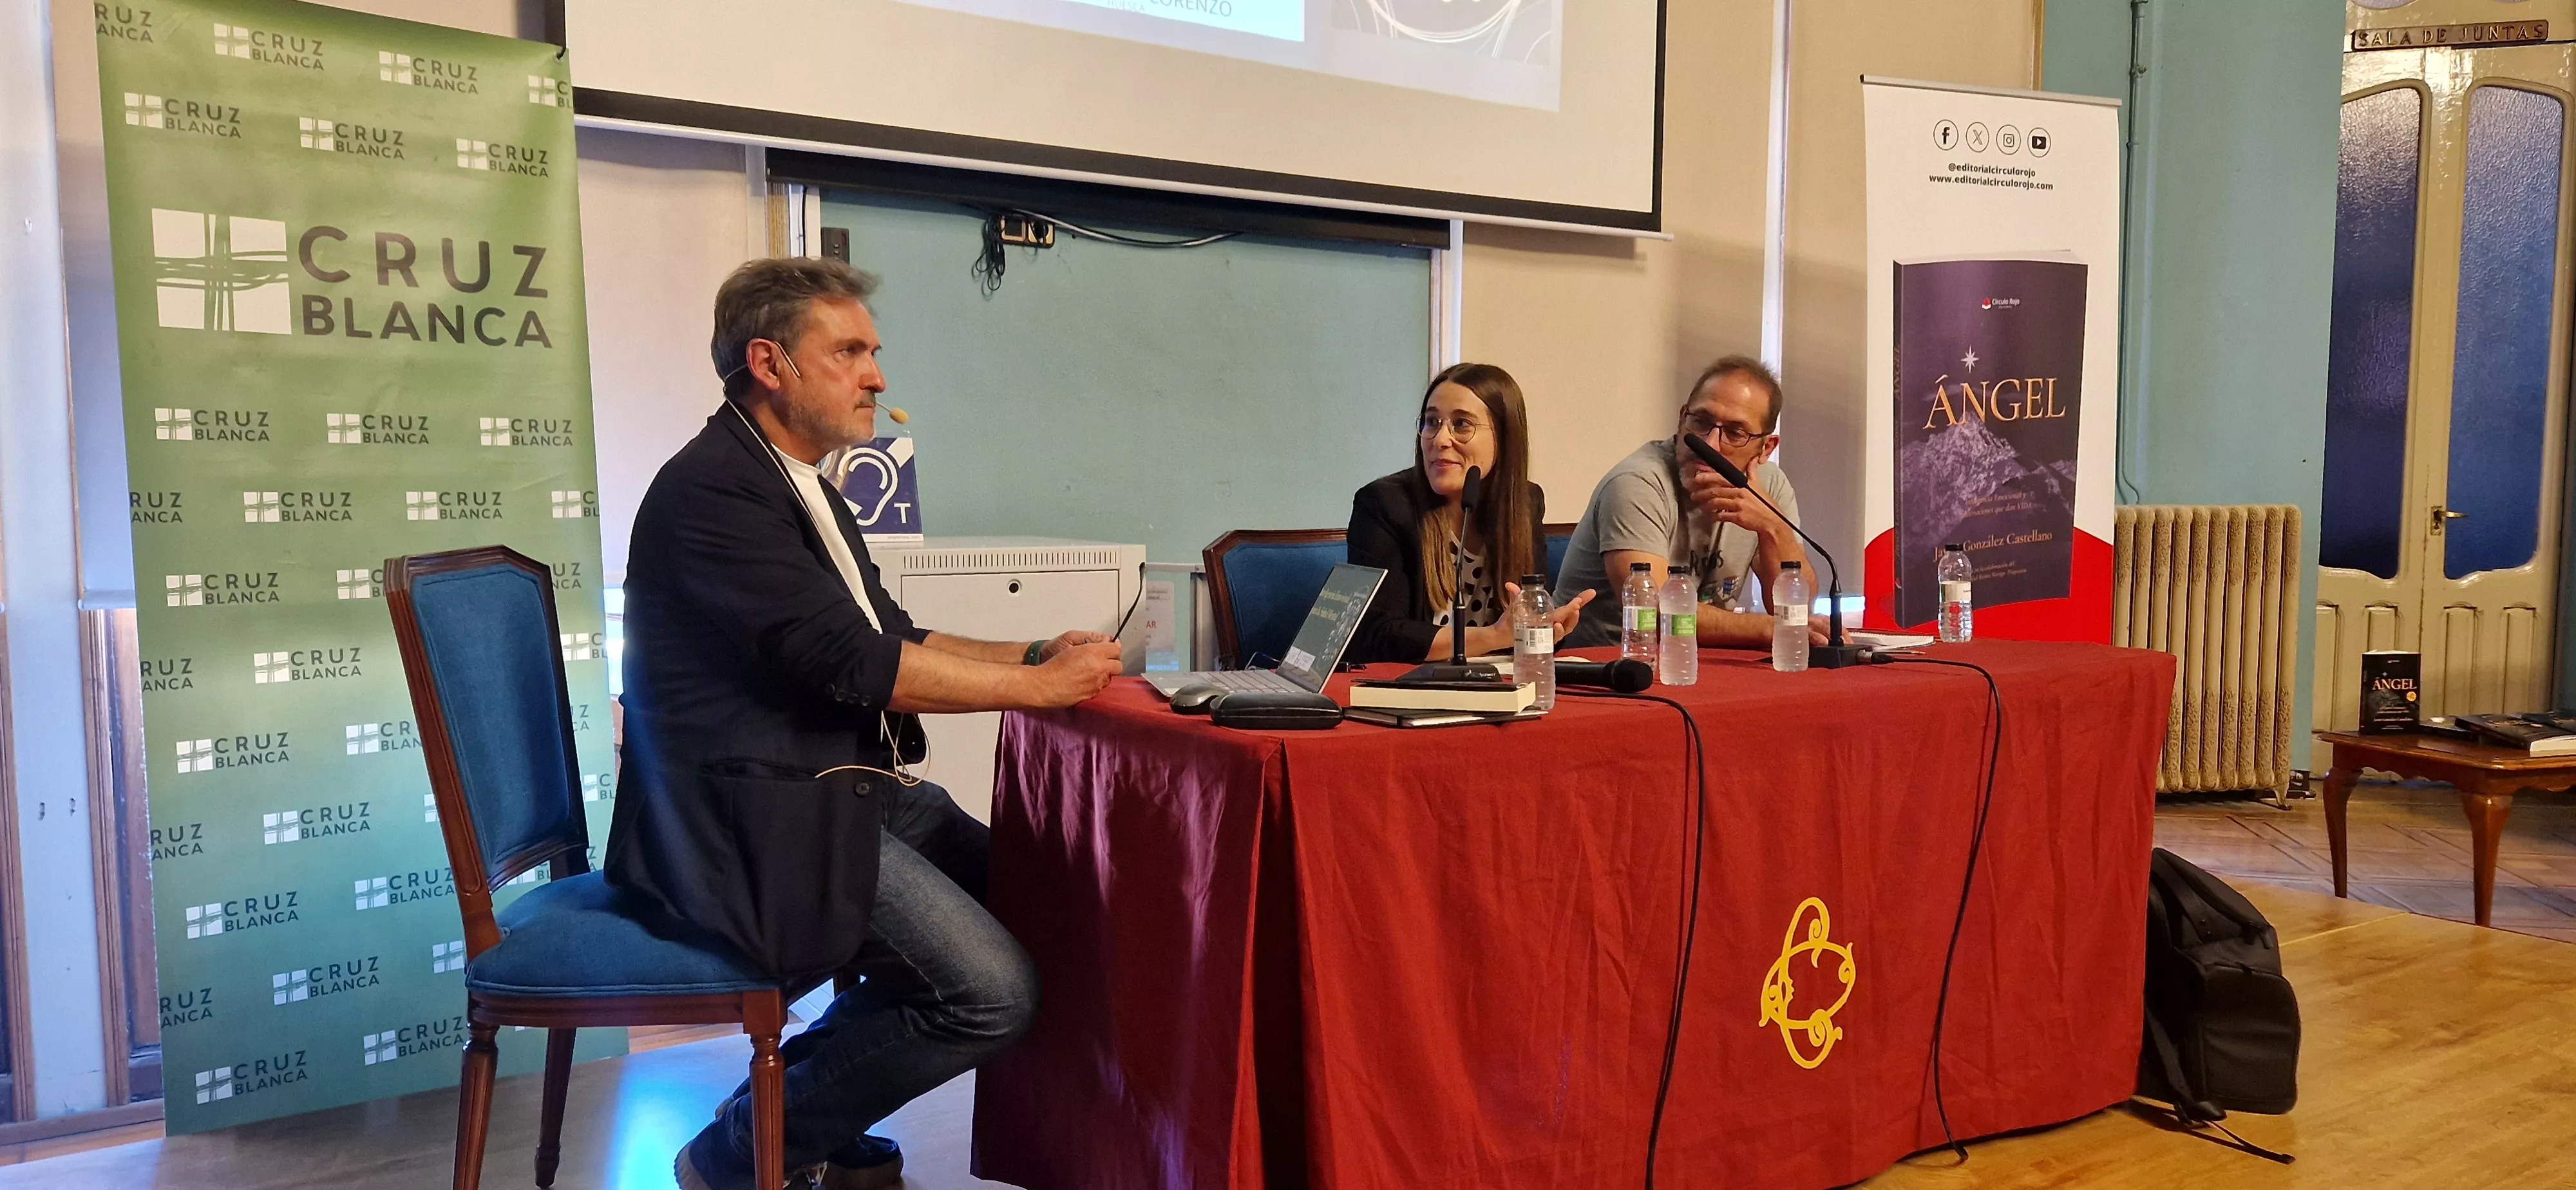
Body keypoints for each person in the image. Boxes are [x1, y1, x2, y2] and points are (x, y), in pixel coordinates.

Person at [607, 258, 1122, 1190]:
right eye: (848, 352)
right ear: (770, 363)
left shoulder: (798, 480)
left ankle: (792, 1115)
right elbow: (856, 666)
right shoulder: (714, 493)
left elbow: (887, 633)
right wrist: (1039, 691)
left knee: (1054, 909)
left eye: (872, 353)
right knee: (991, 993)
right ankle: (736, 1157)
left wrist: (1029, 652)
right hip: (751, 823)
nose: (877, 376)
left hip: (838, 792)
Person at [1553, 355, 1819, 648]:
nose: (1709, 444)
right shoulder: (1638, 482)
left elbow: (1798, 608)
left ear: (1766, 448)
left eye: (1735, 433)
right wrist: (1769, 630)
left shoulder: (1768, 486)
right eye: (1701, 422)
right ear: (1682, 419)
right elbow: (1653, 612)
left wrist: (1774, 528)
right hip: (1610, 661)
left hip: (1696, 659)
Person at [1346, 363, 1591, 664]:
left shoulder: (1525, 503)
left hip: (1496, 681)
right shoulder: (1385, 504)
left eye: (1461, 424)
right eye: (1431, 422)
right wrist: (1495, 636)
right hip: (1410, 684)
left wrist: (1545, 627)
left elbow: (1522, 618)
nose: (1440, 439)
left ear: (1504, 436)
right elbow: (1379, 636)